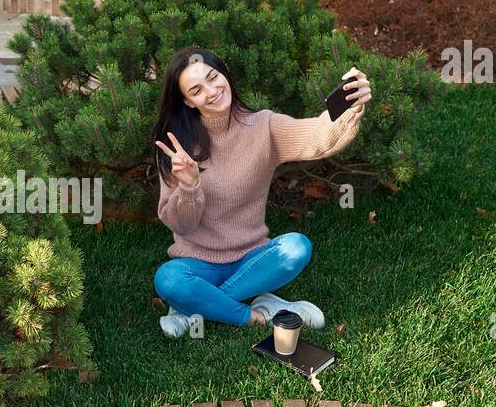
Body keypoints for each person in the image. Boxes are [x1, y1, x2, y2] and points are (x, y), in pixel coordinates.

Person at [151, 47, 372, 338]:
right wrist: (190, 185)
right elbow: (181, 225)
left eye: (213, 77)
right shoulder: (177, 147)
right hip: (197, 262)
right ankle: (255, 314)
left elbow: (318, 136)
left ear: (224, 75)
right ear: (188, 101)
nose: (212, 90)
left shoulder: (264, 126)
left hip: (252, 258)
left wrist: (350, 105)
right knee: (168, 279)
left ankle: (191, 309)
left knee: (297, 247)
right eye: (196, 89)